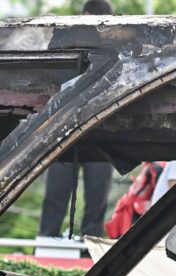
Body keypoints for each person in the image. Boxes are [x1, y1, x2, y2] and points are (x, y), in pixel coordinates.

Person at [37, 0, 115, 239]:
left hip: (70, 128)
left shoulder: (69, 41)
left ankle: (48, 240)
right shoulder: (115, 46)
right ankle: (86, 246)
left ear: (87, 14)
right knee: (95, 198)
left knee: (59, 195)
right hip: (100, 129)